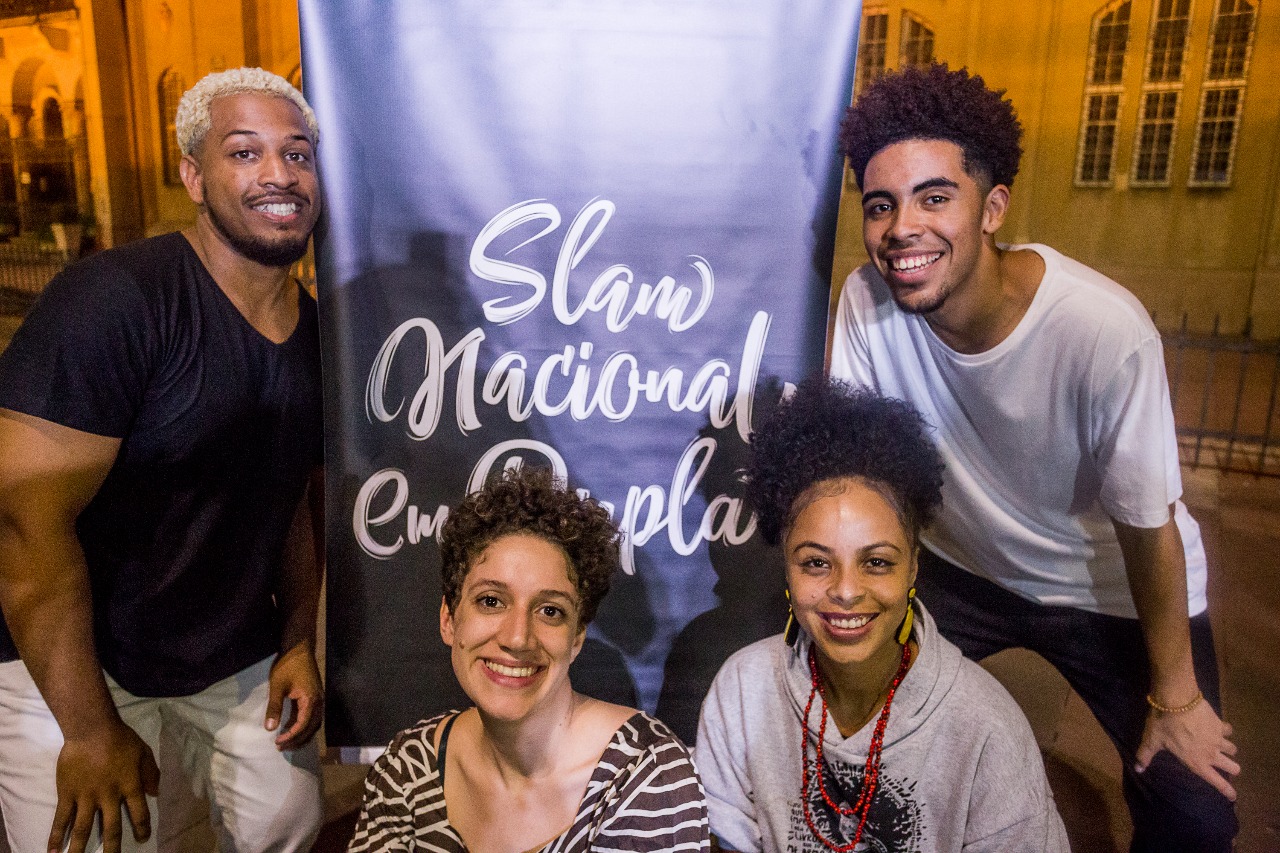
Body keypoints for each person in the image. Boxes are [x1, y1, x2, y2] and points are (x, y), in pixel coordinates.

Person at [829, 62, 1238, 852]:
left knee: (1194, 813)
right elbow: (855, 478)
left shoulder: (1101, 331)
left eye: (934, 197)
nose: (902, 226)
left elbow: (1147, 526)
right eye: (882, 205)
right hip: (959, 567)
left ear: (993, 207)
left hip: (1110, 587)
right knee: (845, 738)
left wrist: (1178, 700)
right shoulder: (867, 303)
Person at [0, 68, 325, 852]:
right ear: (193, 175)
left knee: (289, 819)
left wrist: (298, 642)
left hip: (227, 645)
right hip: (74, 658)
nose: (278, 174)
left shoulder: (313, 325)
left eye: (298, 154)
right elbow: (22, 523)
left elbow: (292, 501)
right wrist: (84, 729)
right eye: (244, 153)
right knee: (98, 839)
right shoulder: (114, 303)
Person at [695, 377, 1067, 852]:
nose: (846, 591)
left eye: (877, 562)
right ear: (785, 565)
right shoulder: (742, 692)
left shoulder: (985, 727)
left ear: (913, 563)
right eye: (816, 562)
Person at [348, 467, 710, 852]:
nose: (517, 637)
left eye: (550, 611)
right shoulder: (408, 767)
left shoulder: (646, 774)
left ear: (577, 637)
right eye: (491, 601)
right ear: (449, 619)